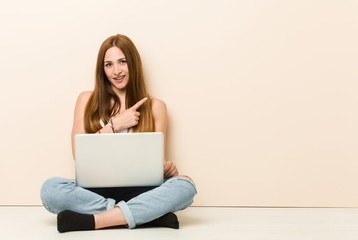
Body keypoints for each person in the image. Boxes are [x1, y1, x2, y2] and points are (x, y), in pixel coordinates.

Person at [40, 34, 197, 233]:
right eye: (109, 65)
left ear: (133, 63)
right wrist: (114, 125)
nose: (116, 71)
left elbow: (157, 164)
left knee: (186, 186)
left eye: (122, 62)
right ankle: (143, 216)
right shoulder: (86, 99)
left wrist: (166, 169)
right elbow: (78, 155)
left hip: (141, 190)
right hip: (94, 190)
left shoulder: (156, 107)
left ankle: (96, 220)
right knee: (50, 189)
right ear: (102, 69)